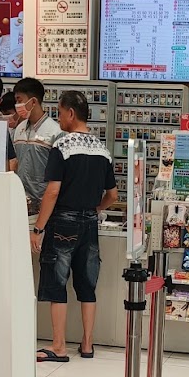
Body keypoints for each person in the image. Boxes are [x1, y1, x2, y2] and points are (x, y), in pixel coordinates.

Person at [33, 90, 118, 362]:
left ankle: (59, 346)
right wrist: (96, 209)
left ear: (70, 113)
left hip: (62, 223)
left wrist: (38, 228)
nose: (59, 119)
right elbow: (113, 195)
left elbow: (52, 192)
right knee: (87, 285)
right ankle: (87, 344)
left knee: (57, 283)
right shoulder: (102, 150)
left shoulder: (62, 146)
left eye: (59, 113)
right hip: (90, 224)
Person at [11, 77, 62, 215]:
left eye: (19, 100)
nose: (17, 105)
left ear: (33, 101)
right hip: (20, 202)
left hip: (44, 205)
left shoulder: (55, 132)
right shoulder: (19, 129)